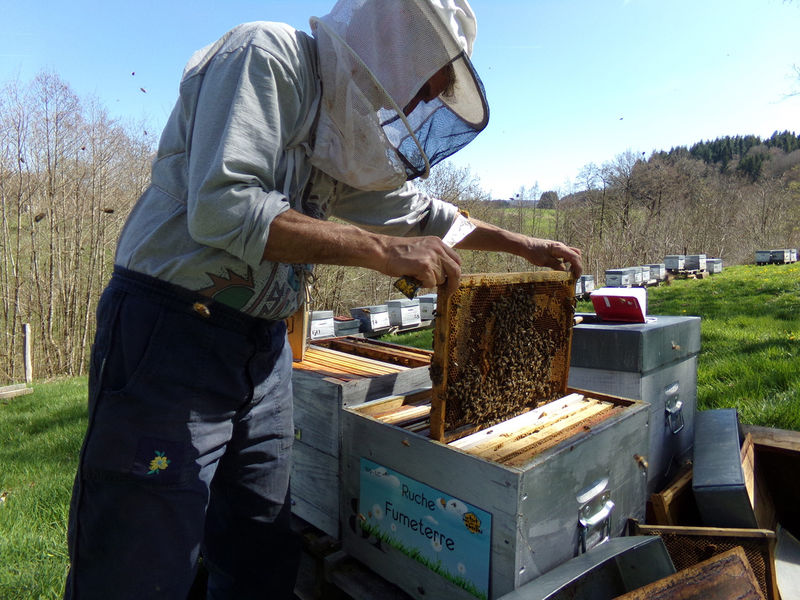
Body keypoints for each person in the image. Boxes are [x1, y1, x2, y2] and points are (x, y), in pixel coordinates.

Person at [64, 0, 582, 598]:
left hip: (262, 352)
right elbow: (224, 206)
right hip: (171, 332)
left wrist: (524, 244)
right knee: (139, 559)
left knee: (258, 552)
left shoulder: (337, 141)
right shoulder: (266, 55)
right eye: (424, 88)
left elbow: (421, 217)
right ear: (396, 46)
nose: (413, 108)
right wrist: (381, 252)